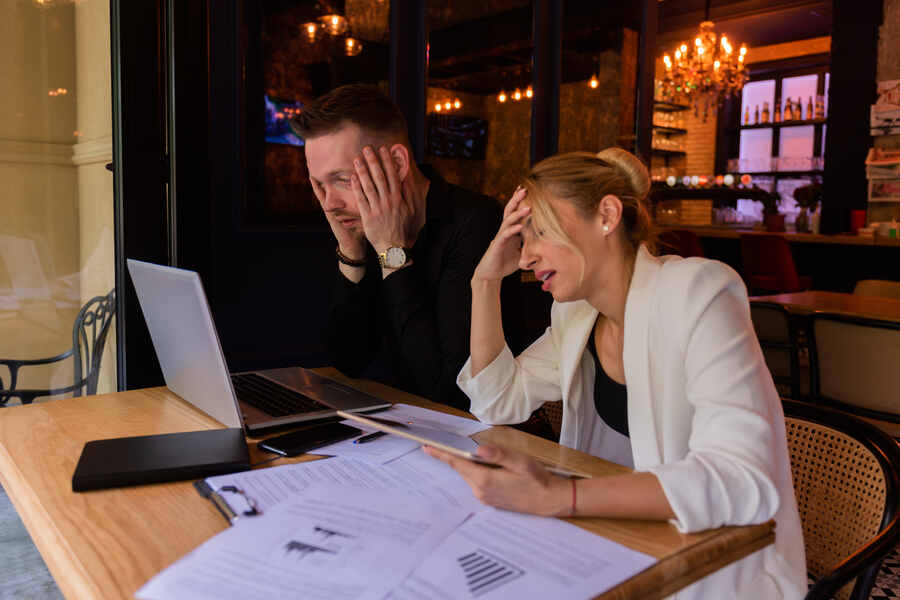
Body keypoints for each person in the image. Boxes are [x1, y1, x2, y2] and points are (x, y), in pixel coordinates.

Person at [424, 149, 806, 598]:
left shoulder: (697, 293)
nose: (525, 259)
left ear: (606, 215)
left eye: (539, 233)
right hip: (618, 544)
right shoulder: (578, 315)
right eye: (522, 240)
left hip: (719, 567)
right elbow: (496, 400)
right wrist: (483, 283)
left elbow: (742, 480)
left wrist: (559, 497)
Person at [293, 84, 518, 410]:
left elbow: (449, 393)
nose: (328, 204)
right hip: (397, 426)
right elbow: (347, 362)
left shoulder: (477, 223)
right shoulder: (360, 221)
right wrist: (352, 253)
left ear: (397, 163)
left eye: (342, 180)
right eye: (318, 185)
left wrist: (391, 249)